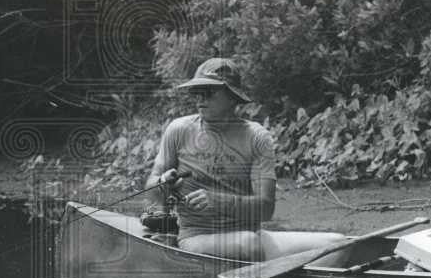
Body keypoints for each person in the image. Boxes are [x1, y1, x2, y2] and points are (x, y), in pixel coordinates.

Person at [145, 58, 349, 264]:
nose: (200, 98)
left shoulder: (257, 137)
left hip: (251, 235)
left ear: (233, 97)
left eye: (210, 91)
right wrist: (163, 184)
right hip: (197, 237)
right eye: (197, 91)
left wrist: (219, 202)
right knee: (248, 243)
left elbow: (266, 210)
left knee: (338, 243)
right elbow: (152, 191)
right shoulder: (179, 130)